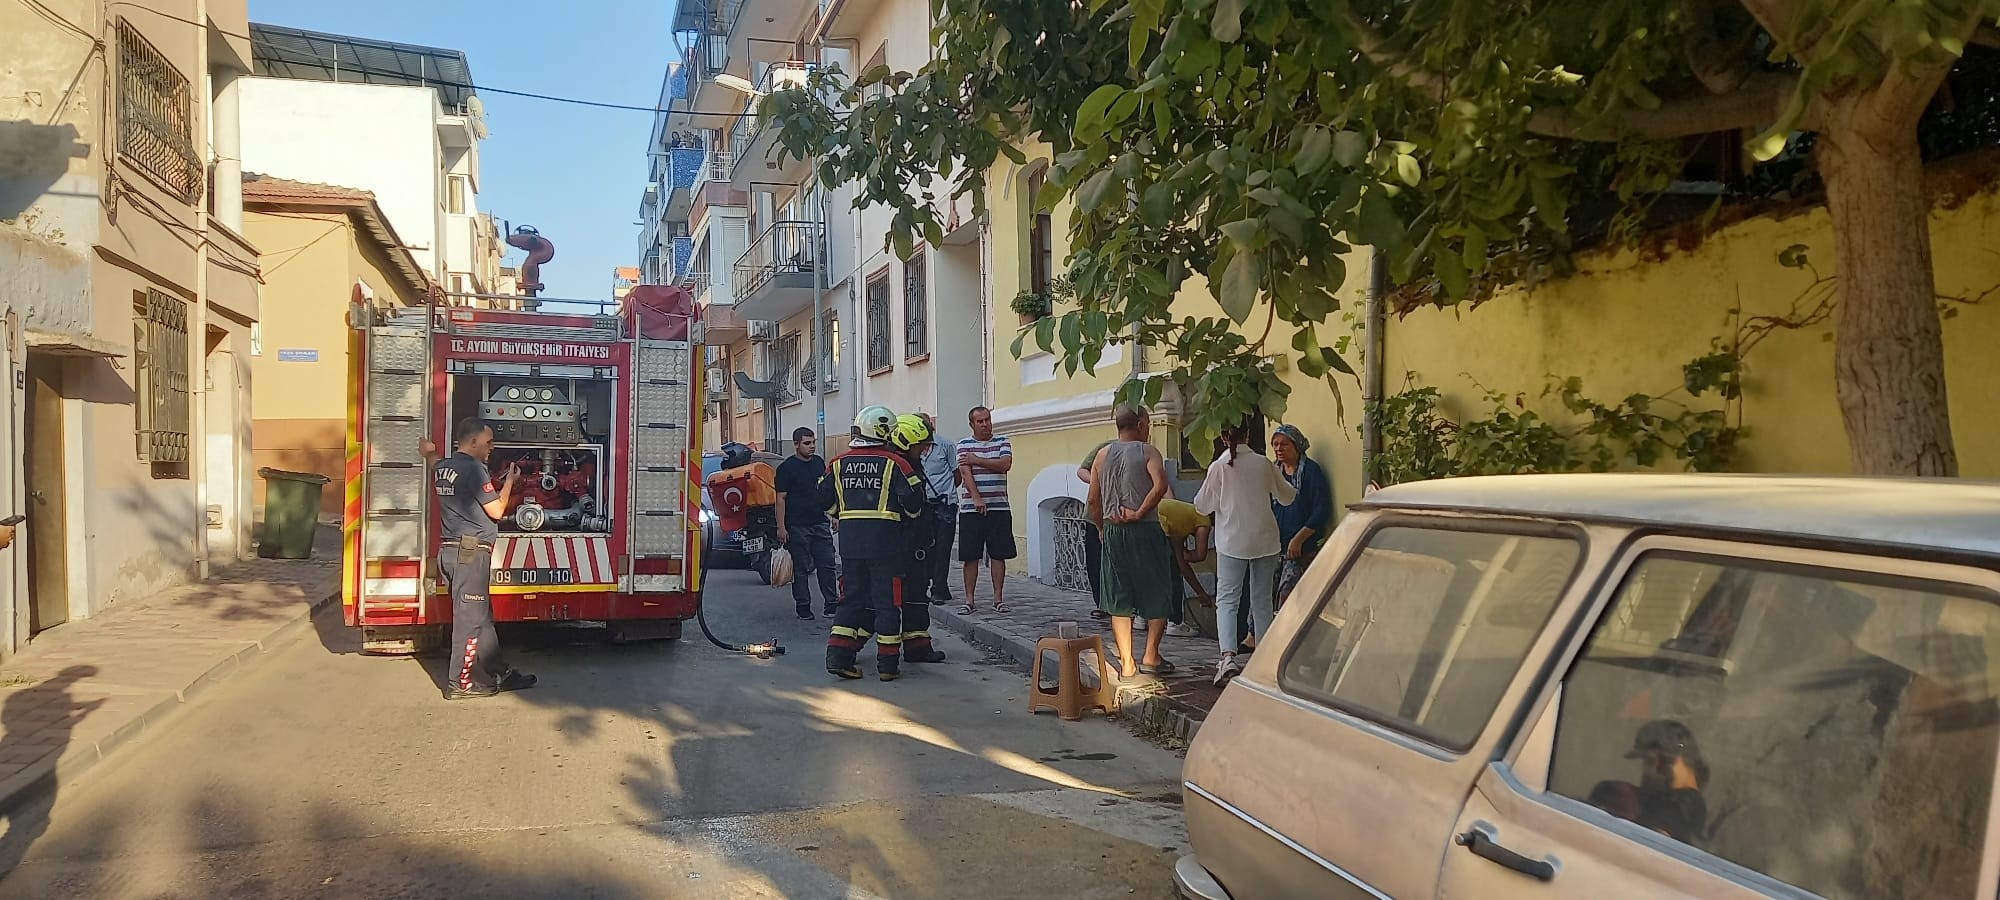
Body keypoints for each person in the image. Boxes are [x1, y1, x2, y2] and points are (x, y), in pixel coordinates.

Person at [423, 421, 537, 700]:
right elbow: (497, 511)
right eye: (488, 442)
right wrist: (509, 483)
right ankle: (459, 684)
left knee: (481, 618)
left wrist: (427, 453)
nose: (491, 448)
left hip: (451, 553)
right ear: (472, 442)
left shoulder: (445, 467)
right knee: (470, 621)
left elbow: (434, 462)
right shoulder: (474, 469)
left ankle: (500, 672)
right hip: (470, 554)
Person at [823, 405, 927, 681]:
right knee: (887, 602)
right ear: (882, 431)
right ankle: (887, 667)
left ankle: (838, 657)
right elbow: (915, 503)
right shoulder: (896, 463)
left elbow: (822, 501)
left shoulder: (837, 462)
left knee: (850, 599)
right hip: (886, 544)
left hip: (850, 544)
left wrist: (841, 512)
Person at [1193, 423, 1296, 686]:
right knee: (1261, 600)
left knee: (1228, 599)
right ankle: (1262, 658)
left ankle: (1228, 658)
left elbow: (1201, 504)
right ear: (1248, 434)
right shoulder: (1263, 463)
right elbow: (1287, 497)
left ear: (1222, 436)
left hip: (1231, 541)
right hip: (1264, 540)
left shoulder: (1219, 466)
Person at [1087, 404, 1177, 680]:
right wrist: (1139, 512)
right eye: (1148, 424)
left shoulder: (1102, 455)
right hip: (1146, 530)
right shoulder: (1148, 451)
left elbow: (1092, 498)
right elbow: (1160, 484)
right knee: (1158, 589)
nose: (1148, 429)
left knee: (1118, 595)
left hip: (1114, 530)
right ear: (1140, 424)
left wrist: (1101, 528)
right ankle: (1151, 655)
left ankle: (1127, 663)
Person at [891, 414, 947, 663]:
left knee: (915, 598)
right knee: (888, 601)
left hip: (914, 544)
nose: (924, 451)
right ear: (906, 442)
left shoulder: (909, 463)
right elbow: (909, 505)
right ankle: (850, 650)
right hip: (900, 544)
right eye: (921, 446)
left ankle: (917, 648)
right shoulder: (898, 466)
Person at [956, 407, 1016, 614]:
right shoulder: (964, 444)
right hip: (971, 510)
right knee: (970, 556)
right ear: (972, 424)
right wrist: (976, 498)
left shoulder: (1002, 441)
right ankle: (969, 599)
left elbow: (1005, 464)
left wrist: (978, 460)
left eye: (987, 420)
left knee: (998, 554)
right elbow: (965, 471)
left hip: (999, 507)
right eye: (980, 421)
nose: (985, 424)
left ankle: (998, 598)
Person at [774, 427, 839, 620]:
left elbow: (829, 491)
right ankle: (803, 606)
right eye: (807, 443)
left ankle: (831, 604)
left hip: (819, 522)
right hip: (797, 526)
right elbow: (780, 499)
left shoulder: (819, 463)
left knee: (827, 565)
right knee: (801, 569)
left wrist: (834, 515)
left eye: (813, 443)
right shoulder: (786, 468)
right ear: (796, 444)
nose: (812, 447)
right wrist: (781, 527)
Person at [1270, 424, 1332, 609]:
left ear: (1296, 446)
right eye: (1275, 444)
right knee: (1263, 593)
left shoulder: (1310, 471)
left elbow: (1321, 509)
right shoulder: (1273, 471)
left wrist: (1299, 539)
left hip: (1301, 547)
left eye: (1284, 444)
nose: (1279, 449)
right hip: (1275, 546)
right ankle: (1253, 636)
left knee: (1289, 597)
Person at [917, 413, 958, 606]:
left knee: (943, 548)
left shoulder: (946, 445)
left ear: (931, 426)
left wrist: (946, 493)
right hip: (921, 506)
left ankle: (939, 588)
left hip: (944, 504)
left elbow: (956, 475)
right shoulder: (912, 449)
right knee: (924, 547)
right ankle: (925, 584)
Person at [1156, 497, 1210, 638]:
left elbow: (1182, 564)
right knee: (1174, 573)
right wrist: (1186, 554)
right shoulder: (1203, 519)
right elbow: (1200, 554)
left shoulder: (1183, 519)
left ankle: (1142, 617)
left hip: (1151, 518)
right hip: (1159, 522)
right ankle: (1175, 622)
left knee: (1155, 570)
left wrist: (1200, 592)